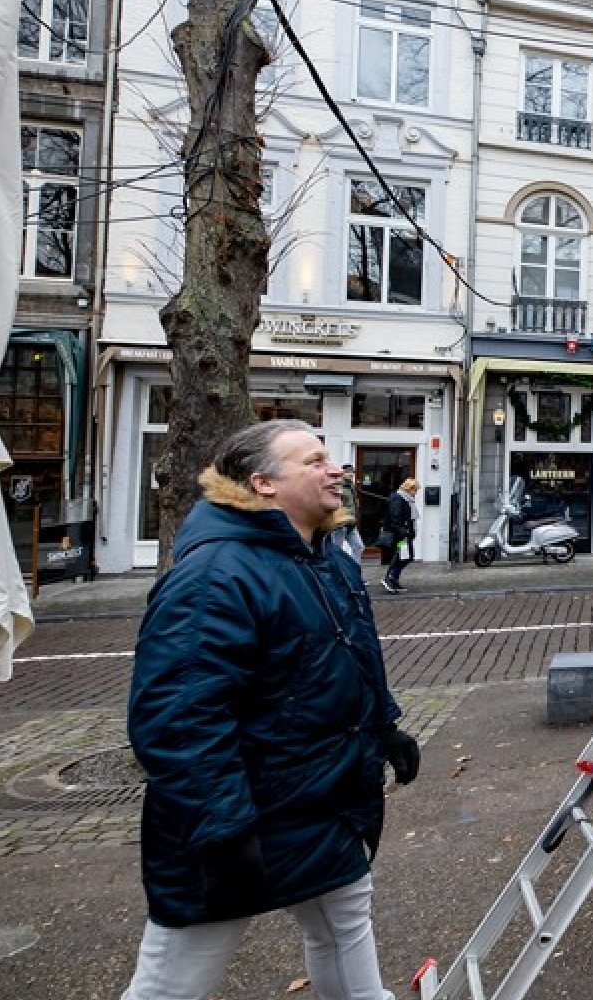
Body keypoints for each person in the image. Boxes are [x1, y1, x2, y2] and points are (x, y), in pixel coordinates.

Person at [121, 420, 419, 1000]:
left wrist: (387, 729)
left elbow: (351, 659)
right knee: (175, 979)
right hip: (246, 819)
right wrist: (224, 829)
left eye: (331, 458)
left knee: (345, 924)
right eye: (313, 461)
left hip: (322, 804)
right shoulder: (215, 575)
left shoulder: (326, 559)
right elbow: (180, 719)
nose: (335, 469)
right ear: (262, 483)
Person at [378, 477, 418, 594]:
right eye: (414, 490)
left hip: (405, 533)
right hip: (401, 535)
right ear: (409, 489)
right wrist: (403, 532)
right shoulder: (398, 499)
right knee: (402, 556)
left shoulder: (406, 500)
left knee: (405, 556)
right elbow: (396, 518)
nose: (416, 493)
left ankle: (394, 579)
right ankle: (389, 578)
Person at [336, 464, 365, 561]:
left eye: (352, 472)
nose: (351, 474)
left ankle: (354, 570)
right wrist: (338, 520)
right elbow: (335, 505)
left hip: (351, 523)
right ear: (343, 473)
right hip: (340, 524)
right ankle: (335, 571)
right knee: (336, 550)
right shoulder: (338, 486)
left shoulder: (351, 486)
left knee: (359, 547)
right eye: (348, 472)